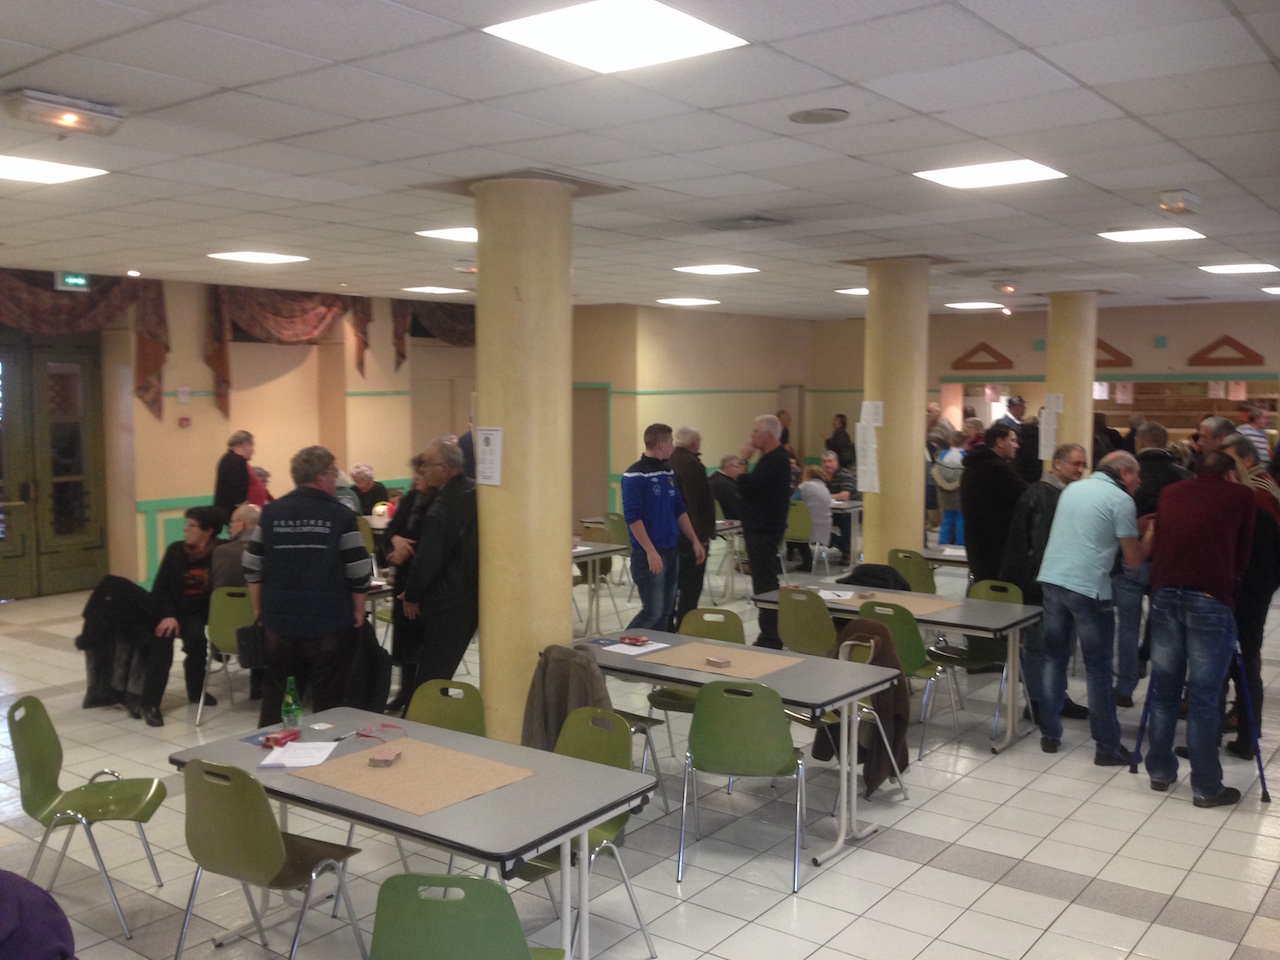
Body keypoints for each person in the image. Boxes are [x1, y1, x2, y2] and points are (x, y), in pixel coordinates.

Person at [1145, 452, 1255, 806]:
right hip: (1209, 598)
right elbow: (1242, 557)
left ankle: (1159, 771)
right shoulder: (1241, 496)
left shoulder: (1171, 492)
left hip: (1165, 594)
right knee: (1204, 698)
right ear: (1231, 473)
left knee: (1164, 690)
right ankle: (1206, 786)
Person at [243, 445, 372, 727]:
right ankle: (327, 749)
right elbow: (359, 568)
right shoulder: (341, 515)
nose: (336, 478)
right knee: (330, 700)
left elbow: (252, 564)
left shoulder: (271, 513)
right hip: (329, 620)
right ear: (321, 476)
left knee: (278, 698)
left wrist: (258, 608)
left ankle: (273, 746)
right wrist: (358, 609)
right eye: (333, 472)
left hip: (279, 622)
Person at [1036, 451, 1151, 761]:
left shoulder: (1073, 489)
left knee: (1053, 659)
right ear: (1123, 473)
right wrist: (1151, 535)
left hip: (1053, 579)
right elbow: (1134, 559)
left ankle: (1049, 734)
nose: (1139, 482)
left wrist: (1132, 528)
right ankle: (1107, 747)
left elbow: (1091, 530)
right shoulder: (1121, 500)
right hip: (1088, 589)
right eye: (1137, 475)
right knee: (1098, 670)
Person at [997, 443, 1089, 724]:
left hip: (1061, 583)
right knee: (1039, 648)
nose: (1080, 469)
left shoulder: (1064, 495)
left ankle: (1056, 696)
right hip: (1042, 585)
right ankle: (1037, 701)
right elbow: (1035, 547)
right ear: (1057, 463)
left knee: (1060, 647)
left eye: (1083, 464)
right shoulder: (1041, 495)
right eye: (1075, 463)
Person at [1115, 421, 1192, 705]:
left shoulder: (1128, 475)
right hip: (1168, 563)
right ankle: (1161, 691)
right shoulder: (1184, 477)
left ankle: (1124, 688)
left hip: (1131, 559)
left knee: (1128, 626)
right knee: (1165, 627)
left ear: (1140, 442)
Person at [400, 440, 480, 688]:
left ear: (444, 469)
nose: (422, 469)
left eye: (426, 464)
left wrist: (412, 595)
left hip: (446, 600)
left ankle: (425, 712)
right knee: (443, 671)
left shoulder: (444, 506)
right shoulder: (476, 492)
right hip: (473, 595)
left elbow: (428, 559)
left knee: (432, 678)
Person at [143, 505, 226, 726]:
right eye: (186, 523)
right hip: (168, 611)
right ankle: (150, 704)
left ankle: (196, 692)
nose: (185, 528)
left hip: (195, 613)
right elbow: (160, 589)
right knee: (163, 641)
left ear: (208, 531)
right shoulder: (176, 551)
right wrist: (168, 615)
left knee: (197, 639)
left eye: (191, 524)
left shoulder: (220, 552)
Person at [621, 424, 705, 631]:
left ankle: (655, 650)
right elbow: (633, 518)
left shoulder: (668, 472)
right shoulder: (634, 475)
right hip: (649, 554)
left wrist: (695, 540)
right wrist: (650, 551)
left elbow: (679, 509)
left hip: (671, 550)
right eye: (670, 442)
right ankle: (621, 644)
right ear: (661, 444)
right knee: (652, 611)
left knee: (665, 613)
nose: (673, 446)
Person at [738, 415, 792, 647]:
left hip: (764, 530)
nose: (752, 437)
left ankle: (771, 636)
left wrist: (743, 460)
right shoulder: (772, 458)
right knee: (762, 580)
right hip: (761, 528)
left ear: (768, 435)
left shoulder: (774, 460)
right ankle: (769, 632)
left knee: (765, 582)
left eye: (755, 432)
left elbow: (746, 488)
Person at [383, 453, 427, 713]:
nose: (415, 478)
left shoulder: (440, 503)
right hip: (403, 580)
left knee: (424, 645)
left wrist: (406, 551)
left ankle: (422, 699)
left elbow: (432, 545)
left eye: (420, 473)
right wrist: (395, 542)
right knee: (404, 642)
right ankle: (404, 691)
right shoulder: (411, 499)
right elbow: (391, 530)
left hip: (424, 583)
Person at [960, 423, 1027, 583]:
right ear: (1000, 442)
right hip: (996, 547)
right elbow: (1025, 495)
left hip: (976, 543)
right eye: (1013, 440)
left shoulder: (972, 467)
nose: (1017, 446)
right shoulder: (997, 469)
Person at [210, 502, 263, 699]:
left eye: (232, 523)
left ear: (241, 524)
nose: (230, 528)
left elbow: (216, 587)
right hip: (262, 631)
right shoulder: (270, 550)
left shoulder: (220, 552)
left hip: (224, 633)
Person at [668, 427, 714, 631]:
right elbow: (697, 504)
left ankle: (667, 628)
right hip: (689, 536)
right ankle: (685, 628)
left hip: (669, 535)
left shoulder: (666, 460)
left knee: (670, 584)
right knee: (690, 588)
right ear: (694, 444)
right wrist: (700, 538)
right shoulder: (693, 465)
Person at [792, 467, 832, 573]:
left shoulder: (805, 486)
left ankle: (785, 560)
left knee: (783, 527)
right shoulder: (825, 488)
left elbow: (792, 502)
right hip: (824, 526)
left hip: (806, 527)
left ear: (808, 476)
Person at [822, 450, 858, 563]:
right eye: (824, 461)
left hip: (853, 509)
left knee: (846, 518)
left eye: (830, 461)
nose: (827, 464)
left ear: (836, 462)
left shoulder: (844, 474)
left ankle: (846, 552)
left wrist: (826, 496)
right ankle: (841, 544)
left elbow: (845, 496)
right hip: (832, 509)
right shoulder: (822, 476)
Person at [932, 432, 965, 546]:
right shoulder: (965, 456)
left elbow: (937, 469)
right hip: (959, 491)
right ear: (963, 442)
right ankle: (960, 543)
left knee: (947, 518)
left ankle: (943, 541)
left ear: (950, 441)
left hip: (945, 492)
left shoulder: (943, 455)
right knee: (960, 519)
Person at [213, 430, 255, 519]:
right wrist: (246, 512)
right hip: (234, 516)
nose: (253, 450)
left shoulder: (231, 459)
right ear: (244, 445)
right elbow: (236, 491)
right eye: (252, 446)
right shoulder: (235, 462)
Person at [709, 455, 745, 521]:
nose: (740, 470)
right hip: (731, 520)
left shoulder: (714, 476)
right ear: (728, 467)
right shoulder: (724, 484)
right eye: (738, 467)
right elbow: (738, 507)